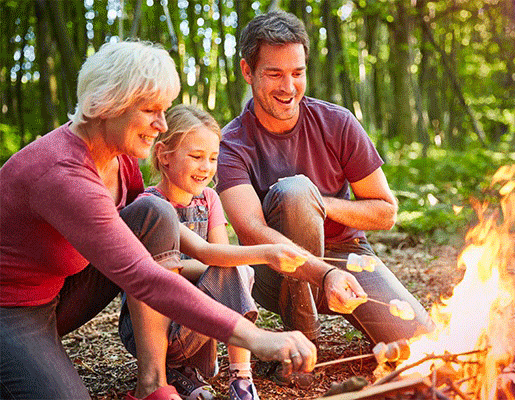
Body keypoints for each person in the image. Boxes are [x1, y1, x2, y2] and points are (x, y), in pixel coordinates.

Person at [0, 40, 315, 400]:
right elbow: (143, 276)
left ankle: (153, 383)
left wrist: (259, 259)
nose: (160, 124)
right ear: (106, 105)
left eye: (163, 110)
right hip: (12, 309)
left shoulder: (121, 160)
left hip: (61, 290)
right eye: (150, 110)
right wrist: (258, 337)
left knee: (155, 213)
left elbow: (164, 240)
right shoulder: (63, 174)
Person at [217, 10, 432, 351]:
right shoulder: (231, 144)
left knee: (421, 339)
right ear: (248, 71)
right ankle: (303, 342)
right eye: (274, 74)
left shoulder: (338, 123)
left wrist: (320, 208)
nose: (288, 88)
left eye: (297, 73)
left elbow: (385, 212)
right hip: (274, 270)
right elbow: (250, 230)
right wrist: (322, 269)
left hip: (347, 257)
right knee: (296, 191)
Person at [121, 105, 311, 400]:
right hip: (158, 325)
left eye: (212, 158)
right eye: (196, 157)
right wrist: (267, 252)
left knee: (234, 268)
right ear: (164, 155)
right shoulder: (151, 205)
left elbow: (221, 255)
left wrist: (233, 265)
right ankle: (172, 371)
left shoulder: (209, 199)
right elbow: (197, 260)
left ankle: (241, 378)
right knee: (233, 267)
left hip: (197, 319)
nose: (206, 167)